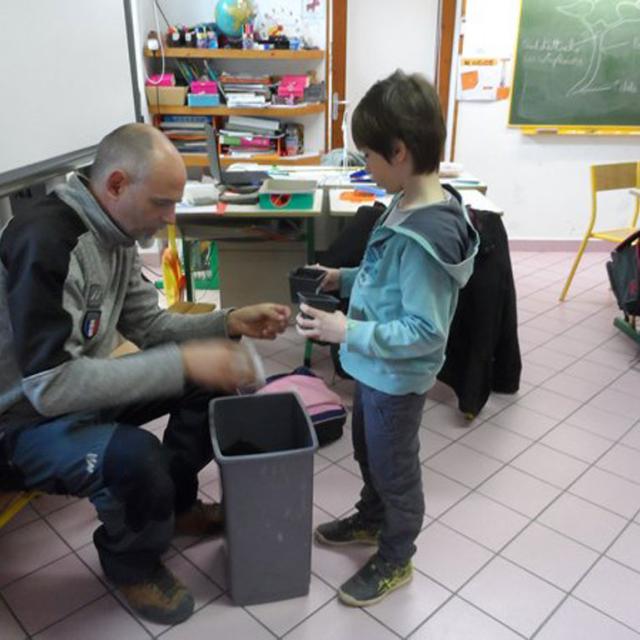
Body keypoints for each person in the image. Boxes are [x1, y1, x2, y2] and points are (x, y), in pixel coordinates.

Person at [0, 123, 290, 624]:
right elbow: (50, 387)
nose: (170, 218)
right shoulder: (45, 242)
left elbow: (147, 324)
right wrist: (182, 361)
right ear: (116, 185)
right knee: (137, 457)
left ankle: (175, 509)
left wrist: (226, 321)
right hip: (19, 423)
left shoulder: (115, 233)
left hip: (71, 390)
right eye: (161, 203)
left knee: (205, 379)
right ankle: (130, 561)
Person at [296, 71, 479, 607]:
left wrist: (343, 328)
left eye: (368, 157)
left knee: (395, 471)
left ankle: (396, 556)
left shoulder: (426, 239)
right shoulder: (408, 202)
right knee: (368, 454)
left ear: (398, 152)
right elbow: (383, 277)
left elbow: (424, 331)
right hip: (373, 368)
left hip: (396, 378)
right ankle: (371, 520)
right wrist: (341, 279)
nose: (364, 168)